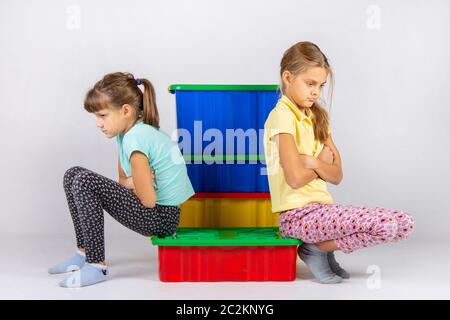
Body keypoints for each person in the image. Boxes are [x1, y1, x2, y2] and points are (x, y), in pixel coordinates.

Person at [263, 42, 414, 284]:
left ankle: (320, 247)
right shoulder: (281, 117)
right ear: (288, 77)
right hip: (296, 217)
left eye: (320, 85)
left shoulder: (317, 116)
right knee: (384, 226)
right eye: (310, 83)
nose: (316, 92)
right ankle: (317, 249)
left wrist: (312, 162)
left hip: (324, 210)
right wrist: (321, 165)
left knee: (404, 223)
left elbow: (337, 175)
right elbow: (294, 178)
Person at [48, 72, 194, 288]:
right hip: (154, 211)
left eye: (103, 116)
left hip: (162, 218)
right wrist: (134, 182)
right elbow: (123, 180)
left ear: (126, 111)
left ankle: (97, 265)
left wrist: (136, 183)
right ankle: (84, 252)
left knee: (84, 181)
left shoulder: (137, 138)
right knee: (73, 174)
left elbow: (149, 201)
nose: (98, 123)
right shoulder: (125, 135)